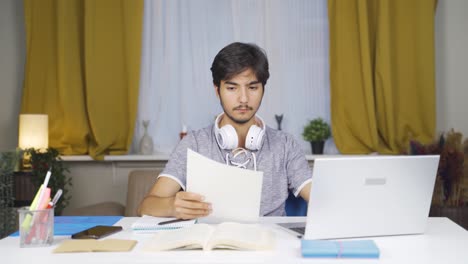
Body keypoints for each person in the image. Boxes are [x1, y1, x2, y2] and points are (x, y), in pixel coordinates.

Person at [138, 42, 312, 219]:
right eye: (231, 88)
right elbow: (146, 206)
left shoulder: (285, 145)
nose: (243, 99)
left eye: (252, 87)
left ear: (263, 89)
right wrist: (171, 207)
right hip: (212, 243)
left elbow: (318, 200)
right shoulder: (194, 144)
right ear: (217, 90)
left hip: (271, 242)